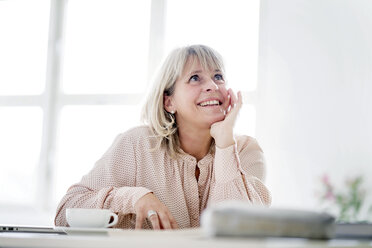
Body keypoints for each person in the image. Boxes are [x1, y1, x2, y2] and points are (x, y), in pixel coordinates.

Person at [55, 44, 271, 230]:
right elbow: (66, 213)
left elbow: (238, 231)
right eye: (195, 78)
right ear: (169, 102)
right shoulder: (137, 145)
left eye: (218, 76)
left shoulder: (246, 151)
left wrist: (225, 144)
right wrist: (133, 198)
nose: (212, 86)